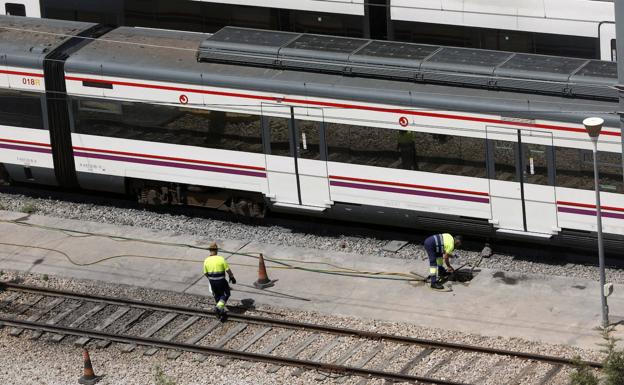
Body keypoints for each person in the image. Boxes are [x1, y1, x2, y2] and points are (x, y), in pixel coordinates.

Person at [203, 242, 236, 319]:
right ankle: (218, 308)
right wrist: (232, 277)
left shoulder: (206, 260)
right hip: (221, 280)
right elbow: (227, 270)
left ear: (209, 250)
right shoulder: (221, 259)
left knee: (217, 295)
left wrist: (211, 279)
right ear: (216, 250)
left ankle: (220, 312)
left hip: (212, 281)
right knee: (226, 294)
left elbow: (205, 273)